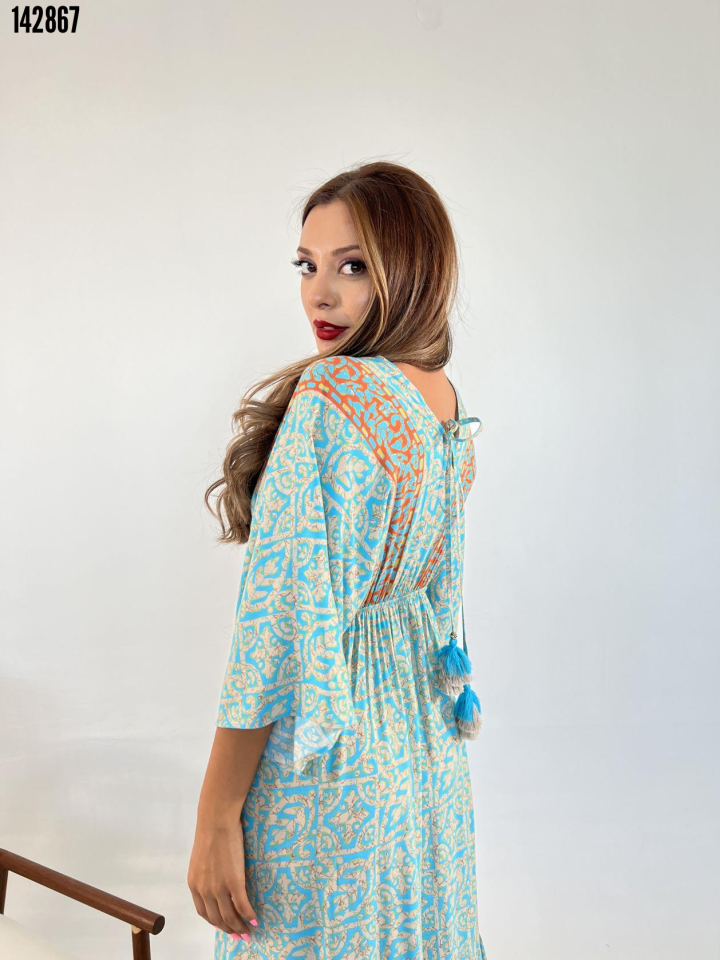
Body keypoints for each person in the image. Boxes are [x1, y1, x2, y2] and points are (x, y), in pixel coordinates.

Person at [187, 160, 488, 959]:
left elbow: (275, 629)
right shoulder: (441, 398)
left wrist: (216, 815)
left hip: (330, 764)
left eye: (352, 267)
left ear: (411, 269)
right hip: (421, 754)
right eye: (307, 265)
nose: (319, 295)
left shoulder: (332, 399)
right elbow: (435, 595)